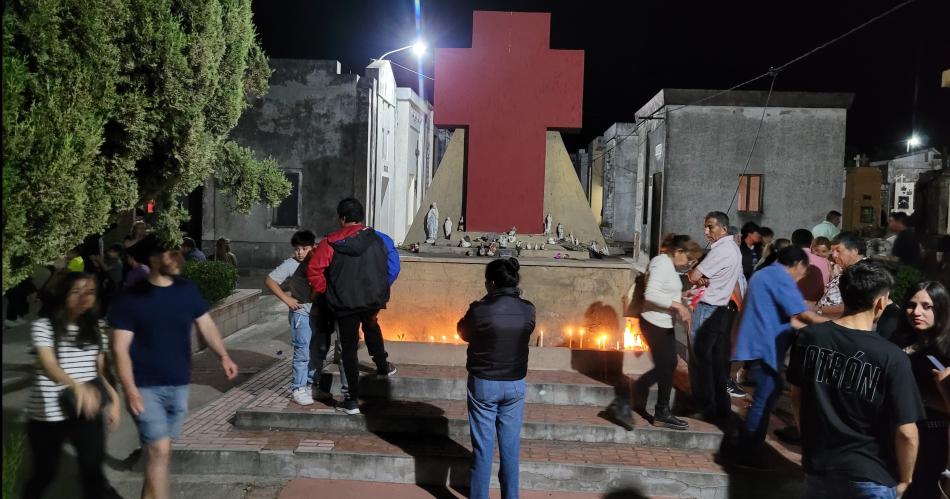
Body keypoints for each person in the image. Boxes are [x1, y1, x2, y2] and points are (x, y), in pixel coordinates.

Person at [109, 235, 239, 499]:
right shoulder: (131, 299)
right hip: (145, 387)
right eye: (169, 252)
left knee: (159, 454)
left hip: (179, 384)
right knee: (160, 452)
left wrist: (223, 356)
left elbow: (206, 325)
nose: (176, 256)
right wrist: (130, 389)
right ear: (153, 260)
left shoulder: (186, 290)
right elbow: (119, 349)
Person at [788, 261, 924, 498]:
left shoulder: (810, 337)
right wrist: (906, 479)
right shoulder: (891, 357)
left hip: (819, 467)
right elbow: (907, 432)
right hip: (872, 475)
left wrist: (808, 442)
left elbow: (796, 396)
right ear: (880, 302)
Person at [22, 272, 121, 499]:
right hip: (47, 416)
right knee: (44, 475)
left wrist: (115, 401)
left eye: (90, 292)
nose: (83, 297)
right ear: (64, 294)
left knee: (94, 476)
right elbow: (49, 364)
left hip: (86, 412)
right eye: (76, 291)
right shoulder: (43, 327)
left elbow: (101, 371)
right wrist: (76, 387)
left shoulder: (96, 329)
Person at [729, 246, 828, 467]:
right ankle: (748, 450)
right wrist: (841, 326)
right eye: (803, 273)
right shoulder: (780, 277)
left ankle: (749, 445)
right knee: (764, 399)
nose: (801, 278)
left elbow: (786, 316)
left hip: (758, 345)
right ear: (798, 265)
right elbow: (803, 314)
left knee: (766, 395)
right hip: (766, 347)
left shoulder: (764, 273)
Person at [306, 198, 400, 416]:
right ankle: (382, 366)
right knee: (371, 326)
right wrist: (379, 287)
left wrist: (327, 291)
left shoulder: (329, 243)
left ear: (342, 218)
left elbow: (314, 270)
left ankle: (351, 401)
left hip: (343, 304)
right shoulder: (381, 239)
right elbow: (393, 268)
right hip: (371, 301)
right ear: (362, 217)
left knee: (348, 348)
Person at [457, 258, 536, 499]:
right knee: (510, 449)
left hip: (485, 382)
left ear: (491, 283)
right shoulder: (528, 309)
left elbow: (463, 331)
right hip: (515, 382)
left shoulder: (480, 309)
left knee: (483, 449)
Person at [632, 235, 703, 430]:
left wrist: (682, 297)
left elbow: (664, 292)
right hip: (654, 322)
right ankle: (660, 410)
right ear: (678, 252)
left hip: (662, 322)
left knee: (668, 364)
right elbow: (652, 295)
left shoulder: (668, 266)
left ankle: (655, 404)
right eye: (689, 259)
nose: (690, 264)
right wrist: (678, 306)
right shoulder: (661, 263)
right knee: (667, 364)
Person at [894, 281, 950, 499]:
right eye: (911, 305)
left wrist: (921, 400)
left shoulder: (945, 351)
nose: (916, 312)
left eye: (927, 306)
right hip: (895, 433)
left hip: (932, 438)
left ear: (941, 309)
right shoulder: (899, 340)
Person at [686, 211, 742, 423]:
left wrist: (695, 270)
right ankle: (721, 406)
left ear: (724, 228)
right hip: (722, 310)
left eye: (711, 227)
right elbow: (710, 278)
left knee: (701, 360)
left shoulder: (720, 251)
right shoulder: (732, 249)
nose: (706, 231)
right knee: (717, 362)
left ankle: (705, 406)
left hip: (709, 309)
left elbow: (693, 276)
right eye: (705, 227)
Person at [263, 230, 327, 405]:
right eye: (297, 248)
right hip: (300, 313)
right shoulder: (290, 264)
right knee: (302, 351)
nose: (299, 252)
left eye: (304, 248)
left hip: (318, 314)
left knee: (318, 351)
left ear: (313, 247)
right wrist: (286, 299)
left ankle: (311, 385)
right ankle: (298, 388)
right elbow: (270, 280)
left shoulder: (319, 261)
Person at [815, 232, 867, 320]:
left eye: (838, 251)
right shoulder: (849, 270)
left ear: (855, 251)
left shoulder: (865, 272)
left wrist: (817, 310)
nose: (834, 255)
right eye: (833, 251)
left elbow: (853, 306)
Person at [791, 229, 829, 304]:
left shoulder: (782, 260)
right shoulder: (824, 262)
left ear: (792, 242)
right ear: (812, 242)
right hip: (817, 306)